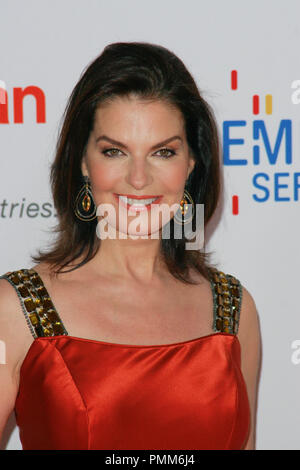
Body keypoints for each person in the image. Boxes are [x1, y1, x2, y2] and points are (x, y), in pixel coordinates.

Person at [0, 42, 261, 450]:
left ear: (191, 164)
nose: (138, 179)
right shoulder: (13, 310)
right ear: (83, 162)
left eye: (163, 152)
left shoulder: (233, 309)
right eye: (114, 151)